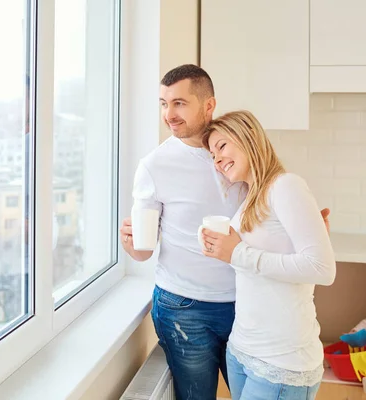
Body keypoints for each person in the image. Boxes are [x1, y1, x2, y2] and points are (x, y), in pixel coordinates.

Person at [120, 64, 330, 400]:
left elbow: (276, 221)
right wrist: (133, 246)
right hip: (184, 307)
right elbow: (144, 250)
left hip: (245, 305)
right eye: (163, 103)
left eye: (179, 103)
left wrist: (305, 233)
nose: (169, 114)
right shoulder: (154, 165)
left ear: (208, 105)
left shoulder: (238, 157)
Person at [200, 110, 336, 399]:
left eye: (222, 146)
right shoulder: (250, 196)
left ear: (248, 137)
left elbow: (322, 269)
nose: (217, 160)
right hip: (242, 351)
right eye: (212, 155)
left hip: (282, 360)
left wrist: (237, 253)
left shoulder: (286, 185)